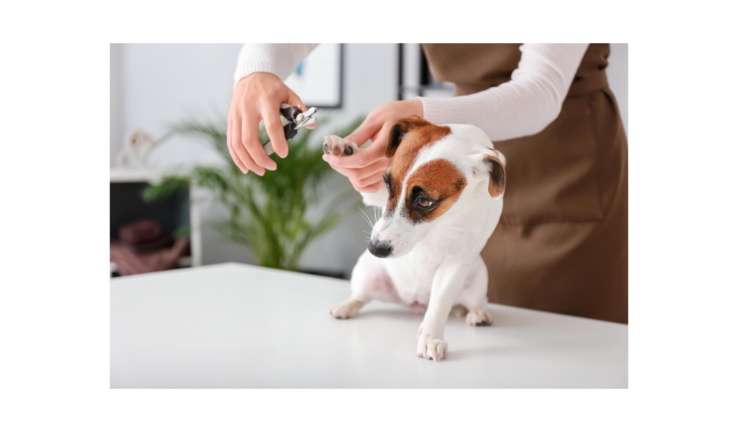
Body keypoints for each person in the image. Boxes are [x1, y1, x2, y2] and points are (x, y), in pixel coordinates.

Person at [229, 42, 629, 324]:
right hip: (441, 148)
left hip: (563, 166)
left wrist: (423, 116)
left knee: (560, 341)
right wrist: (256, 68)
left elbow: (541, 91)